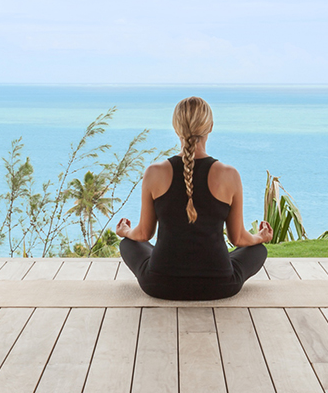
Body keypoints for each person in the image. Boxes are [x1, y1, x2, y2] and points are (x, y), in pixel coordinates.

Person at [116, 96, 273, 300]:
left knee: (128, 244)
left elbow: (144, 234)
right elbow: (239, 239)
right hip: (220, 285)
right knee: (257, 250)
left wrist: (126, 231)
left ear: (175, 128)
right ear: (211, 127)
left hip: (160, 284)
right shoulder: (229, 174)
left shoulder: (154, 172)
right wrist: (260, 237)